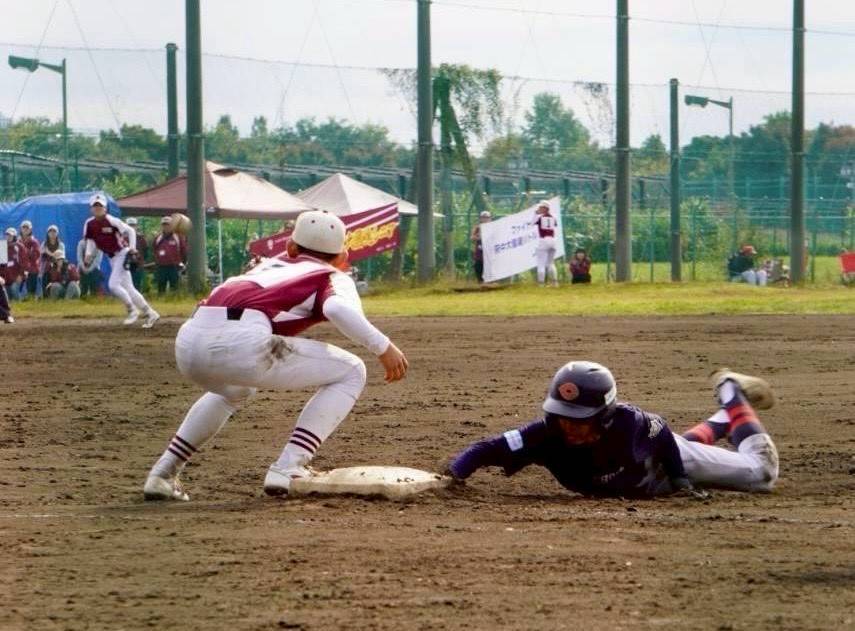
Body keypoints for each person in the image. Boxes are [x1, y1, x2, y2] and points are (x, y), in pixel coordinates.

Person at [143, 210, 409, 502]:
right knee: (352, 370)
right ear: (343, 256)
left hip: (189, 341)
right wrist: (384, 347)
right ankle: (290, 467)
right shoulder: (331, 274)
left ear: (291, 248)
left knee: (235, 390)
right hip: (241, 343)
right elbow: (338, 310)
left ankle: (163, 473)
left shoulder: (265, 266)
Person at [447, 361, 779, 498]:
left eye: (580, 419)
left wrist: (679, 479)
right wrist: (451, 477)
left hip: (669, 462)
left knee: (762, 473)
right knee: (655, 451)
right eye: (562, 416)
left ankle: (730, 389)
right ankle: (726, 414)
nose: (569, 427)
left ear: (605, 415)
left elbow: (660, 431)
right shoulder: (543, 437)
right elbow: (484, 449)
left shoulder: (629, 423)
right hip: (642, 464)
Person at [82, 192, 159, 327]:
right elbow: (91, 241)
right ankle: (151, 313)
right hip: (112, 258)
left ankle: (132, 310)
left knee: (113, 285)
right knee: (129, 288)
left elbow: (131, 231)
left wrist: (133, 248)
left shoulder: (111, 220)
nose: (98, 208)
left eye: (100, 206)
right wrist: (88, 254)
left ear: (105, 208)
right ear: (91, 208)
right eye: (95, 206)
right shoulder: (90, 224)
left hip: (122, 254)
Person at [152, 215, 187, 294]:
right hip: (161, 267)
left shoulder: (178, 237)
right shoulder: (158, 238)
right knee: (161, 287)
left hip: (174, 266)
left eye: (168, 225)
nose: (166, 226)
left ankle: (174, 301)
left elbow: (183, 251)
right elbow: (154, 250)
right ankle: (161, 302)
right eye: (164, 225)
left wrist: (182, 263)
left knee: (174, 287)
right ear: (162, 226)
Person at [533, 201, 559, 287]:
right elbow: (555, 225)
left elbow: (532, 222)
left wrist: (535, 213)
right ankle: (555, 283)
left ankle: (541, 284)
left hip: (543, 240)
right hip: (553, 240)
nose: (539, 209)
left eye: (541, 207)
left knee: (541, 263)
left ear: (545, 208)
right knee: (551, 263)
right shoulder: (553, 217)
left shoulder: (540, 217)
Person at [40, 225, 66, 291]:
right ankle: (45, 294)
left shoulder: (61, 244)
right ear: (47, 233)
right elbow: (41, 256)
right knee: (45, 270)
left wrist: (49, 253)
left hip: (58, 265)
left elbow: (61, 257)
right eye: (50, 231)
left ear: (57, 233)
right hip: (46, 267)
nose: (52, 233)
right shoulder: (44, 244)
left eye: (54, 231)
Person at [19, 220, 41, 298]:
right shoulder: (17, 241)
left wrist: (23, 249)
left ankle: (31, 295)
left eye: (27, 228)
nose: (25, 229)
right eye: (23, 227)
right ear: (20, 229)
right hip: (19, 269)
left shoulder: (35, 242)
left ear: (30, 230)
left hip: (32, 270)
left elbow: (35, 256)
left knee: (31, 293)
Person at [3, 228, 26, 300]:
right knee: (5, 295)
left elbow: (24, 263)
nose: (8, 237)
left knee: (13, 289)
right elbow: (1, 265)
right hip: (6, 278)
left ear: (14, 236)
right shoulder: (2, 247)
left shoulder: (19, 246)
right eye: (7, 235)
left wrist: (21, 275)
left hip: (17, 277)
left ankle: (20, 301)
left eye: (10, 235)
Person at [126, 217, 148, 292]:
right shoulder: (122, 238)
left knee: (136, 285)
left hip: (138, 265)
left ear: (136, 226)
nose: (131, 227)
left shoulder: (141, 238)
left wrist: (140, 261)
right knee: (126, 285)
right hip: (125, 266)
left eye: (133, 225)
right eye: (130, 225)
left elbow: (146, 252)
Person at [471, 210, 491, 283]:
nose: (485, 219)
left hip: (490, 253)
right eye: (483, 217)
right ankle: (480, 283)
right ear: (480, 218)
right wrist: (480, 237)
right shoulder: (478, 228)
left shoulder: (493, 227)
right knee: (478, 267)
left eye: (487, 217)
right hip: (479, 252)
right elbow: (472, 237)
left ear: (490, 218)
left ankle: (489, 283)